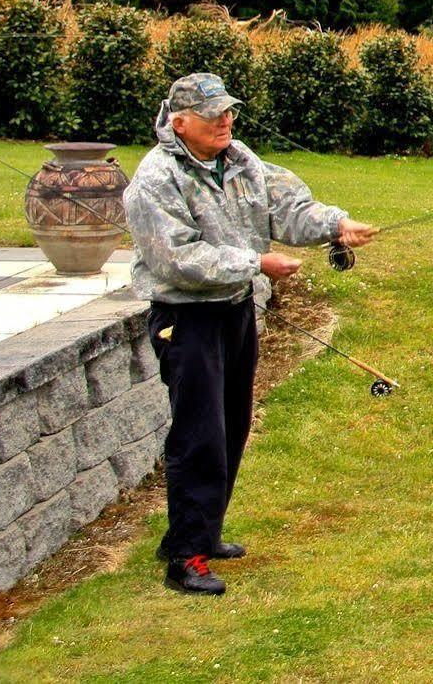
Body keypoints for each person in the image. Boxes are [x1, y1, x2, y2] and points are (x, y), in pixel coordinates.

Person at [122, 72, 377, 595]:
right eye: (213, 114)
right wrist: (255, 262)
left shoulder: (240, 160)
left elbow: (287, 207)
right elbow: (177, 259)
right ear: (180, 122)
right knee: (199, 436)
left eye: (229, 110)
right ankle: (186, 557)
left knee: (231, 425)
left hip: (235, 312)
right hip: (186, 318)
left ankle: (201, 533)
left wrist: (336, 225)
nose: (225, 120)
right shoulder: (154, 180)